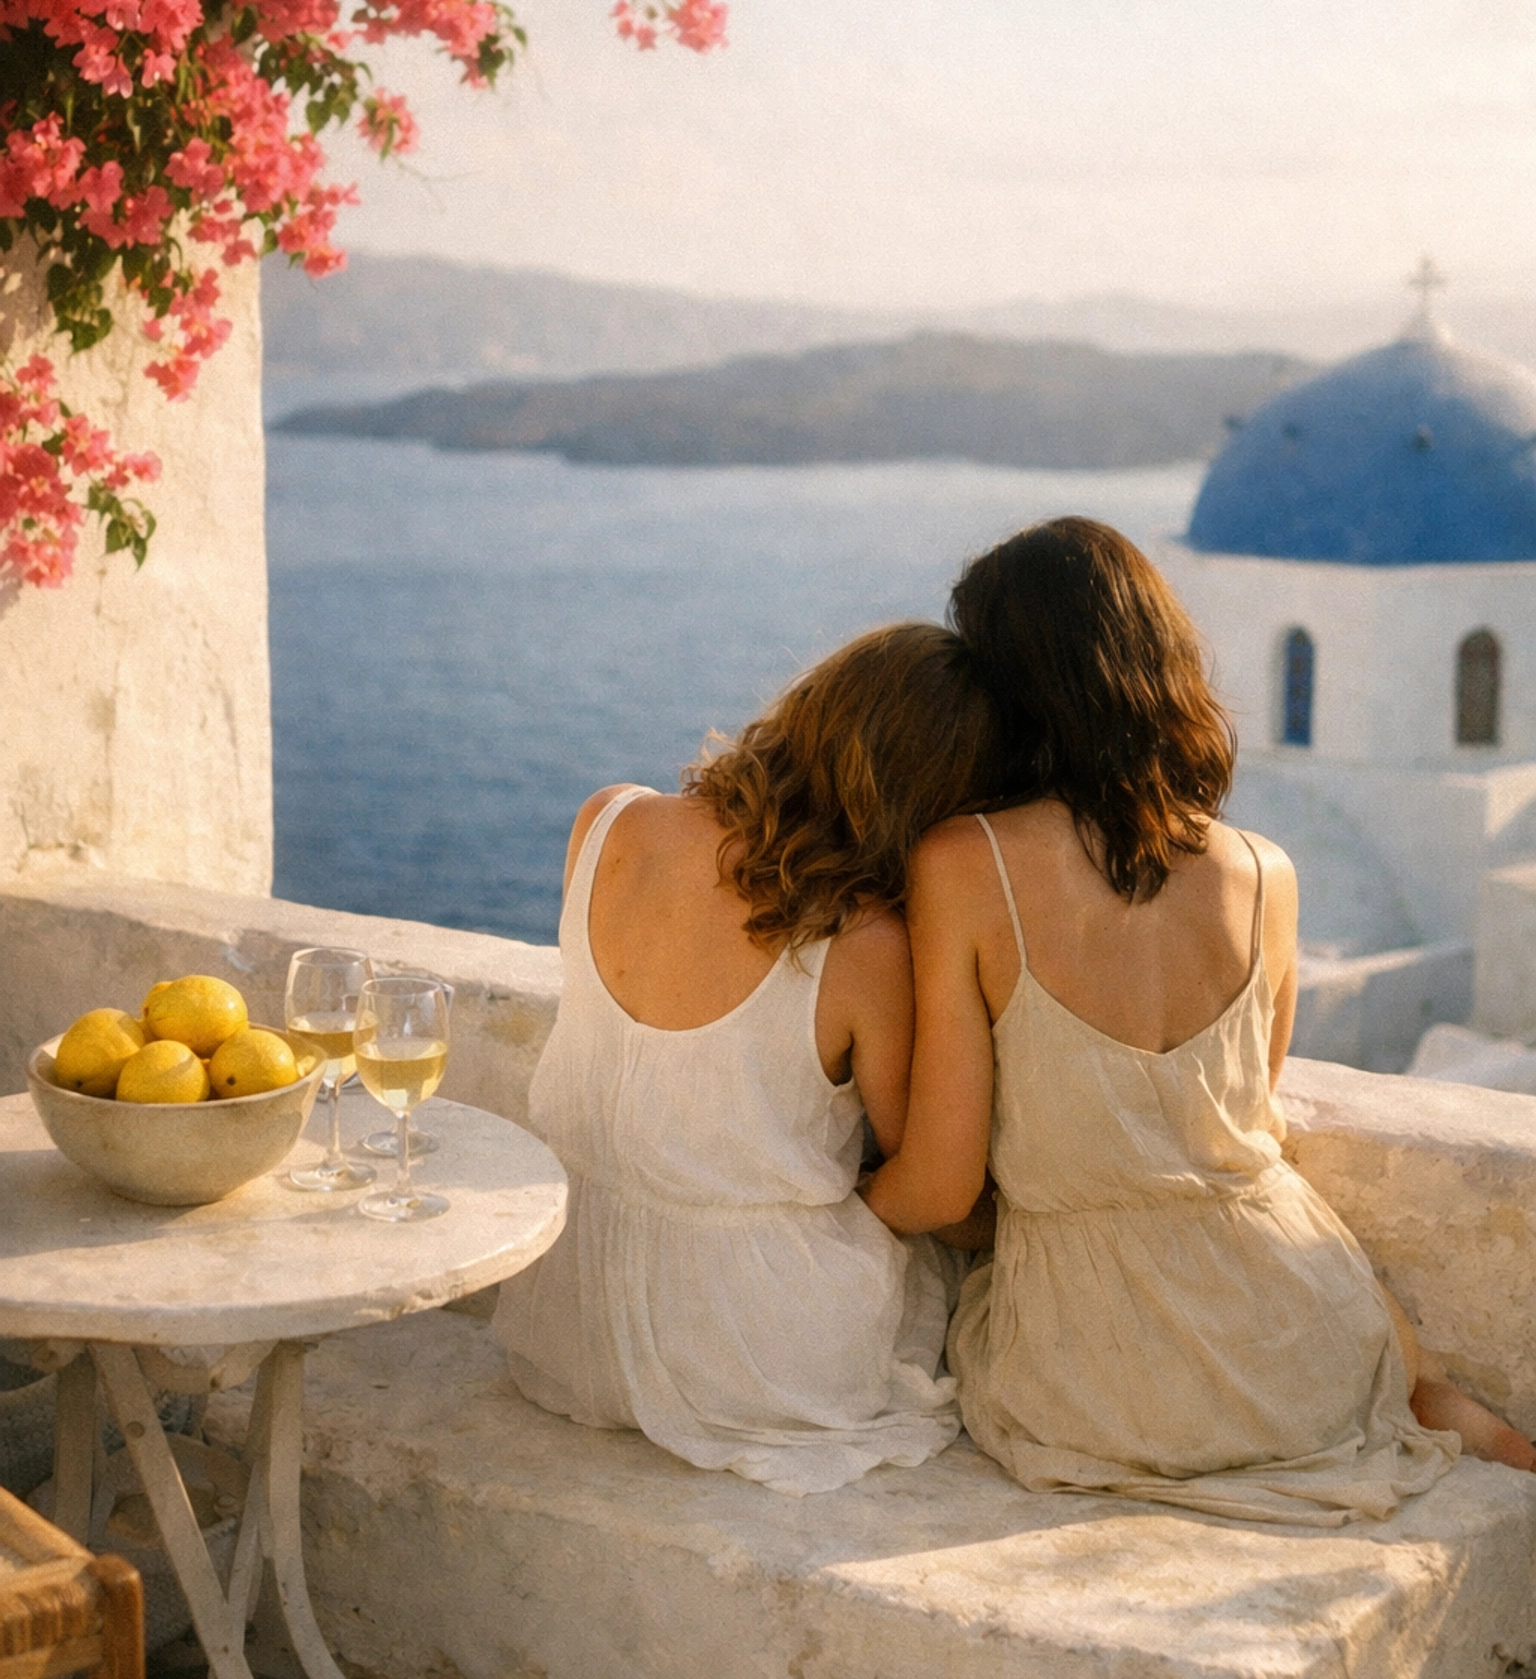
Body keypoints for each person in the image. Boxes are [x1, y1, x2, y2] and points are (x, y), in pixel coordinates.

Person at [864, 518, 1530, 1526]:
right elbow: (1246, 1124)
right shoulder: (1267, 872)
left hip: (1094, 1379)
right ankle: (1452, 1413)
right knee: (1410, 1391)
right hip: (1300, 1325)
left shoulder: (968, 865)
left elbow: (944, 1183)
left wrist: (844, 1202)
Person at [495, 622, 999, 1495]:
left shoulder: (608, 820)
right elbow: (927, 1188)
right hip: (756, 1359)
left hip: (564, 1318)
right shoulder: (861, 943)